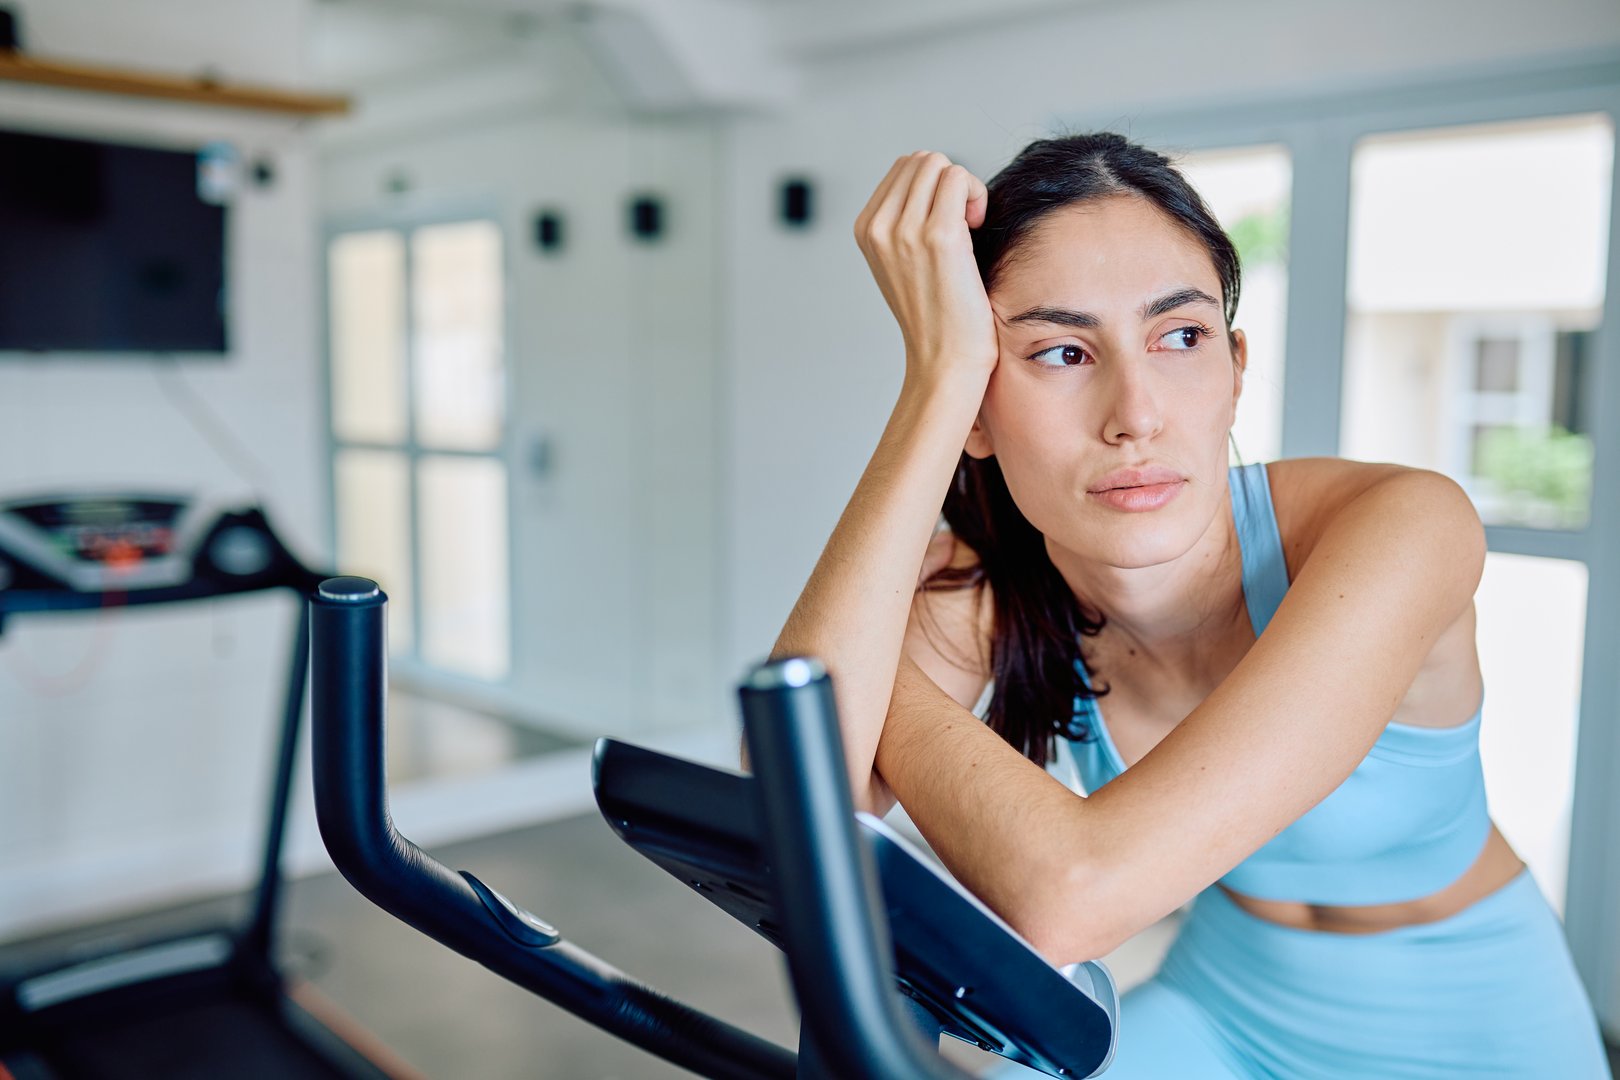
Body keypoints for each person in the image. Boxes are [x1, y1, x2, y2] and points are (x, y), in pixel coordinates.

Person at [768, 133, 1611, 1077]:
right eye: (1059, 350)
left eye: (1180, 336)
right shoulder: (989, 578)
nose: (1136, 413)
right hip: (1227, 1006)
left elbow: (1074, 897)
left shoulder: (1403, 526)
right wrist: (933, 386)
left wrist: (876, 687)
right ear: (979, 405)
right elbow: (798, 799)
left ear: (1236, 368)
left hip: (1474, 1016)